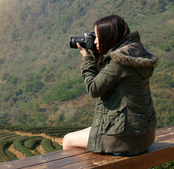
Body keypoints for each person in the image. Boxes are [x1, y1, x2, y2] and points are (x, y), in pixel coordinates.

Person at [63, 15, 158, 156]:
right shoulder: (135, 52)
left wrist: (86, 57)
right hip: (144, 135)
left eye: (97, 36)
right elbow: (108, 78)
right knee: (89, 130)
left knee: (67, 140)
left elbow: (94, 89)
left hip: (125, 140)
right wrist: (98, 55)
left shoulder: (119, 61)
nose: (94, 41)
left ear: (109, 36)